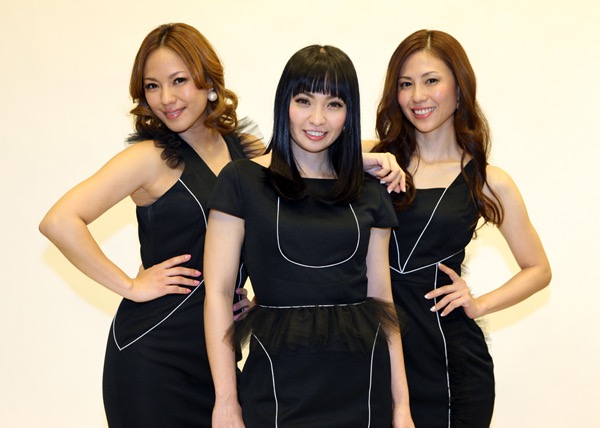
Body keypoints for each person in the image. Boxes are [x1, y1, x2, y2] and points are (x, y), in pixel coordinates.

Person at [39, 23, 406, 427]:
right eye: (152, 86)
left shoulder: (242, 151)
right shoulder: (148, 158)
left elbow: (306, 143)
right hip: (157, 349)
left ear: (210, 83)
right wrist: (131, 286)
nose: (167, 98)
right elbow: (59, 221)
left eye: (179, 80)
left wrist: (367, 156)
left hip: (221, 352)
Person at [204, 45, 414, 428]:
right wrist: (226, 401)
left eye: (334, 104)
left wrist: (401, 407)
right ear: (284, 103)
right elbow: (217, 293)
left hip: (362, 389)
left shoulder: (370, 191)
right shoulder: (241, 181)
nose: (317, 118)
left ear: (349, 114)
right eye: (304, 101)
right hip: (275, 389)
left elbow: (383, 299)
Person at [367, 29, 552, 427]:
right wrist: (359, 160)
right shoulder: (373, 159)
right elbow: (281, 161)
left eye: (431, 80)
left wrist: (479, 304)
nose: (417, 96)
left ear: (459, 88)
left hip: (451, 365)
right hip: (374, 359)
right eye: (405, 84)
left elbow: (538, 269)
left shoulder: (488, 180)